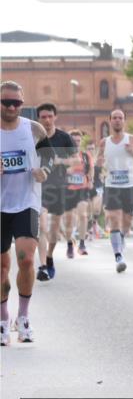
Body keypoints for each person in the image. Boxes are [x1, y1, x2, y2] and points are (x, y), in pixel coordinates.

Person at [1, 81, 50, 345]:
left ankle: (23, 317)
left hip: (27, 202)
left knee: (26, 260)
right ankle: (2, 317)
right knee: (2, 267)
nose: (11, 107)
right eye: (6, 102)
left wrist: (45, 172)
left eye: (16, 103)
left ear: (22, 103)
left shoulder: (33, 129)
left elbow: (50, 158)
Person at [97, 109, 133, 272]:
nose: (117, 121)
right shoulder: (104, 142)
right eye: (114, 118)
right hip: (112, 184)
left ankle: (121, 237)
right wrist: (98, 165)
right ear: (110, 121)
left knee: (127, 221)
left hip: (130, 185)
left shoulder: (132, 139)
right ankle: (118, 256)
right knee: (114, 218)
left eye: (120, 118)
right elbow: (98, 161)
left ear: (124, 121)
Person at [34, 103, 77, 281]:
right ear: (38, 119)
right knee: (41, 226)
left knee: (53, 230)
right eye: (43, 117)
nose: (47, 120)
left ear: (55, 117)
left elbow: (75, 159)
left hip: (59, 187)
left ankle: (50, 256)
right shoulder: (34, 138)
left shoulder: (64, 138)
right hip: (39, 186)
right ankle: (43, 266)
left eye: (50, 116)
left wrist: (59, 161)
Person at [64, 129, 94, 256]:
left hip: (82, 189)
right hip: (67, 190)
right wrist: (67, 171)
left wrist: (91, 180)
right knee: (69, 220)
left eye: (78, 140)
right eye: (73, 141)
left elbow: (91, 169)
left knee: (83, 215)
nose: (76, 143)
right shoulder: (64, 156)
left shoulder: (86, 156)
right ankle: (70, 245)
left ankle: (82, 244)